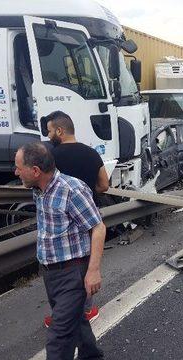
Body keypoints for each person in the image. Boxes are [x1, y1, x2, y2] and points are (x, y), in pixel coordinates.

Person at [14, 142, 105, 360]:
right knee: (76, 321)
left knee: (59, 337)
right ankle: (92, 356)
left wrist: (93, 271)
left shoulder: (71, 189)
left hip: (73, 273)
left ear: (35, 171)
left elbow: (98, 227)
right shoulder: (39, 190)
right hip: (51, 272)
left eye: (18, 167)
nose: (15, 172)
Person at [43, 111, 108, 328]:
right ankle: (88, 309)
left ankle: (65, 314)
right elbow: (104, 185)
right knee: (88, 263)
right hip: (90, 217)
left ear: (59, 131)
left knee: (66, 269)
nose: (48, 134)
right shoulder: (91, 153)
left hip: (63, 221)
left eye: (50, 130)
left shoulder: (51, 157)